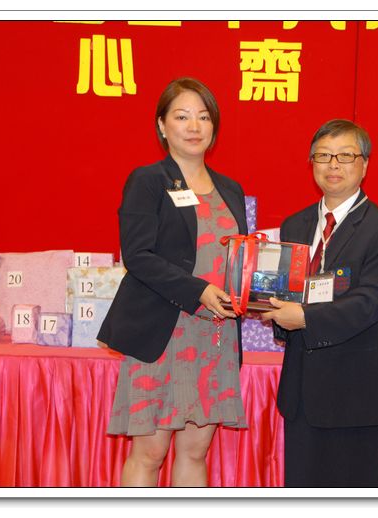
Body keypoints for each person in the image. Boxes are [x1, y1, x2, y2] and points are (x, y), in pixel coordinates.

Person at [98, 77, 247, 487]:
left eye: (203, 117)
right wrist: (199, 290)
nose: (194, 126)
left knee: (195, 452)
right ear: (162, 125)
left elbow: (239, 257)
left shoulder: (231, 189)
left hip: (214, 335)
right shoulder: (148, 180)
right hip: (162, 332)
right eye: (182, 117)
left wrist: (254, 291)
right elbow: (138, 255)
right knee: (150, 453)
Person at [262, 119, 378, 487]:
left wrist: (305, 318)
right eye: (323, 156)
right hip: (303, 395)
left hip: (361, 395)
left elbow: (374, 300)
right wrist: (272, 309)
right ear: (311, 163)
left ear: (365, 164)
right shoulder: (294, 225)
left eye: (345, 156)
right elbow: (289, 293)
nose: (333, 165)